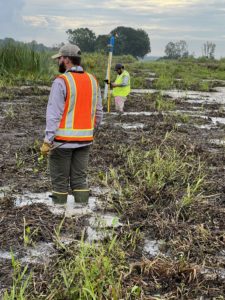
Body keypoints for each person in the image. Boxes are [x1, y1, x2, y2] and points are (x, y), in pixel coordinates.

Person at [40, 43, 103, 205]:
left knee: (60, 182)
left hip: (62, 143)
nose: (58, 61)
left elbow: (54, 114)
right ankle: (82, 215)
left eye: (60, 58)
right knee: (80, 180)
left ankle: (59, 218)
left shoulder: (62, 81)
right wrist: (90, 132)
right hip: (85, 141)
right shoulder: (92, 80)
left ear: (67, 60)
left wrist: (48, 140)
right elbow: (99, 113)